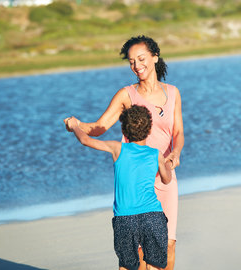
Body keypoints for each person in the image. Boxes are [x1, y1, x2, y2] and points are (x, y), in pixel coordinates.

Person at [64, 35, 184, 270]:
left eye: (141, 59)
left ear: (155, 57)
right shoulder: (126, 94)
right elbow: (99, 128)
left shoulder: (173, 92)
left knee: (168, 243)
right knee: (139, 249)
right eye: (131, 62)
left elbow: (178, 131)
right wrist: (77, 125)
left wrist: (176, 153)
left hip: (165, 173)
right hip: (137, 178)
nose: (137, 66)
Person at [66, 105, 173, 270]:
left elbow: (85, 140)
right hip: (152, 215)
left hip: (125, 218)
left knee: (126, 266)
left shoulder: (117, 148)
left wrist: (74, 126)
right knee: (155, 266)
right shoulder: (156, 154)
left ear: (124, 130)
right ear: (149, 129)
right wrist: (168, 164)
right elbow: (166, 180)